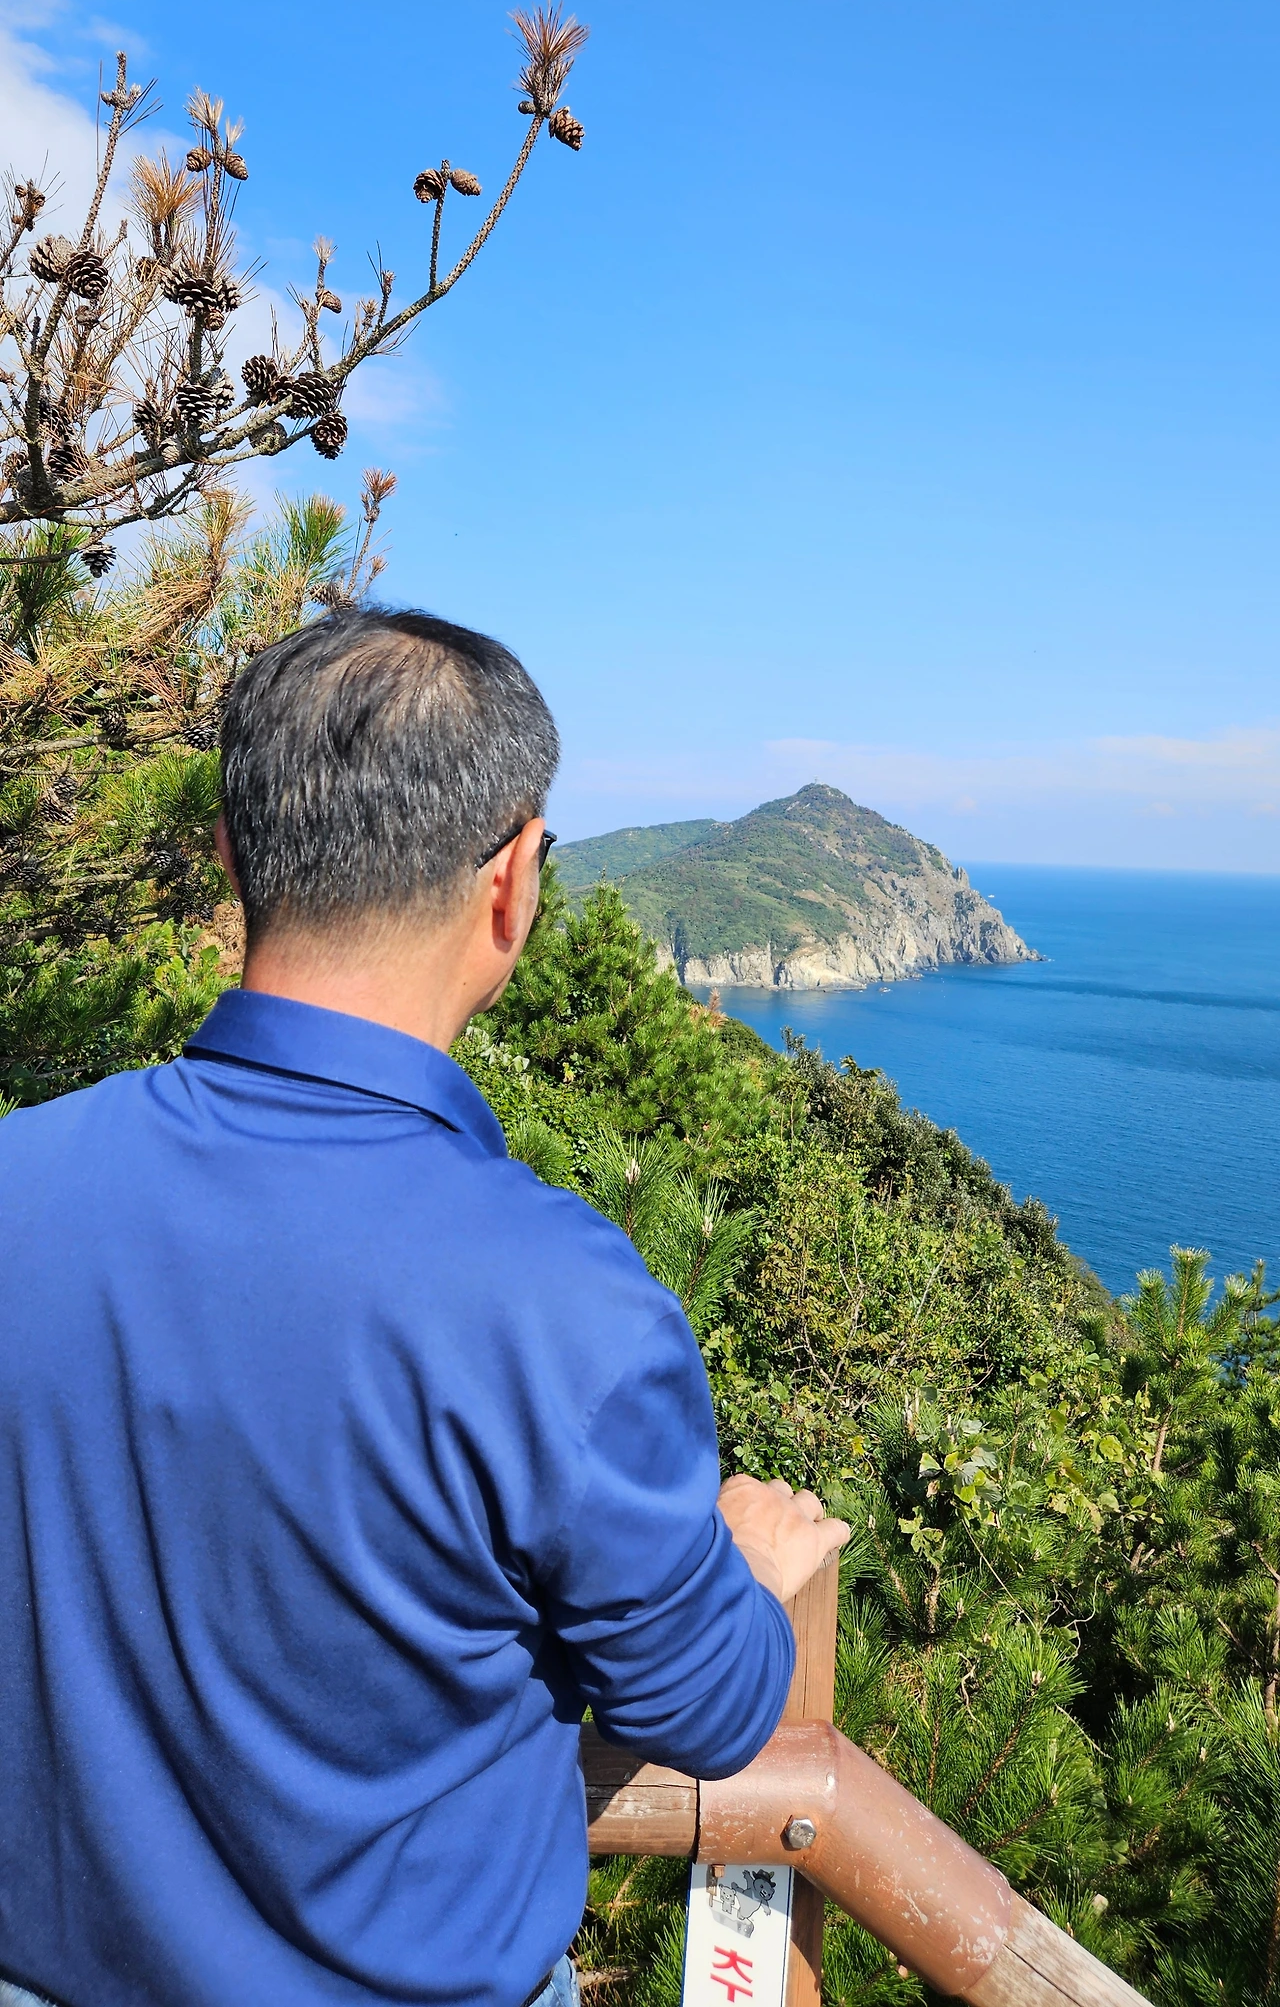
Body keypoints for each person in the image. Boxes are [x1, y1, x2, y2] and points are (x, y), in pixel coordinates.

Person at [0, 610, 849, 2007]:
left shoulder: (21, 1177)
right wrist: (749, 1573)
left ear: (231, 858)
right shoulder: (563, 1307)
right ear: (513, 882)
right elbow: (702, 1706)